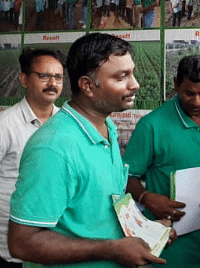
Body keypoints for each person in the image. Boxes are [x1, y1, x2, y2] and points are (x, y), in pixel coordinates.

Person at [8, 33, 176, 267]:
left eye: (132, 72)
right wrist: (111, 250)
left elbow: (101, 212)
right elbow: (22, 243)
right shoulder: (53, 148)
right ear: (87, 85)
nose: (135, 84)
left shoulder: (106, 128)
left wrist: (145, 229)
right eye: (121, 76)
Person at [123, 55, 200, 268]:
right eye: (188, 93)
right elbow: (125, 177)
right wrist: (147, 197)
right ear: (176, 84)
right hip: (172, 255)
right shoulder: (151, 126)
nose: (196, 101)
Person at [0, 48, 64, 267]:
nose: (52, 83)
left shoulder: (65, 125)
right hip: (9, 249)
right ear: (24, 79)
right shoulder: (5, 124)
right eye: (44, 76)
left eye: (58, 77)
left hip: (53, 244)